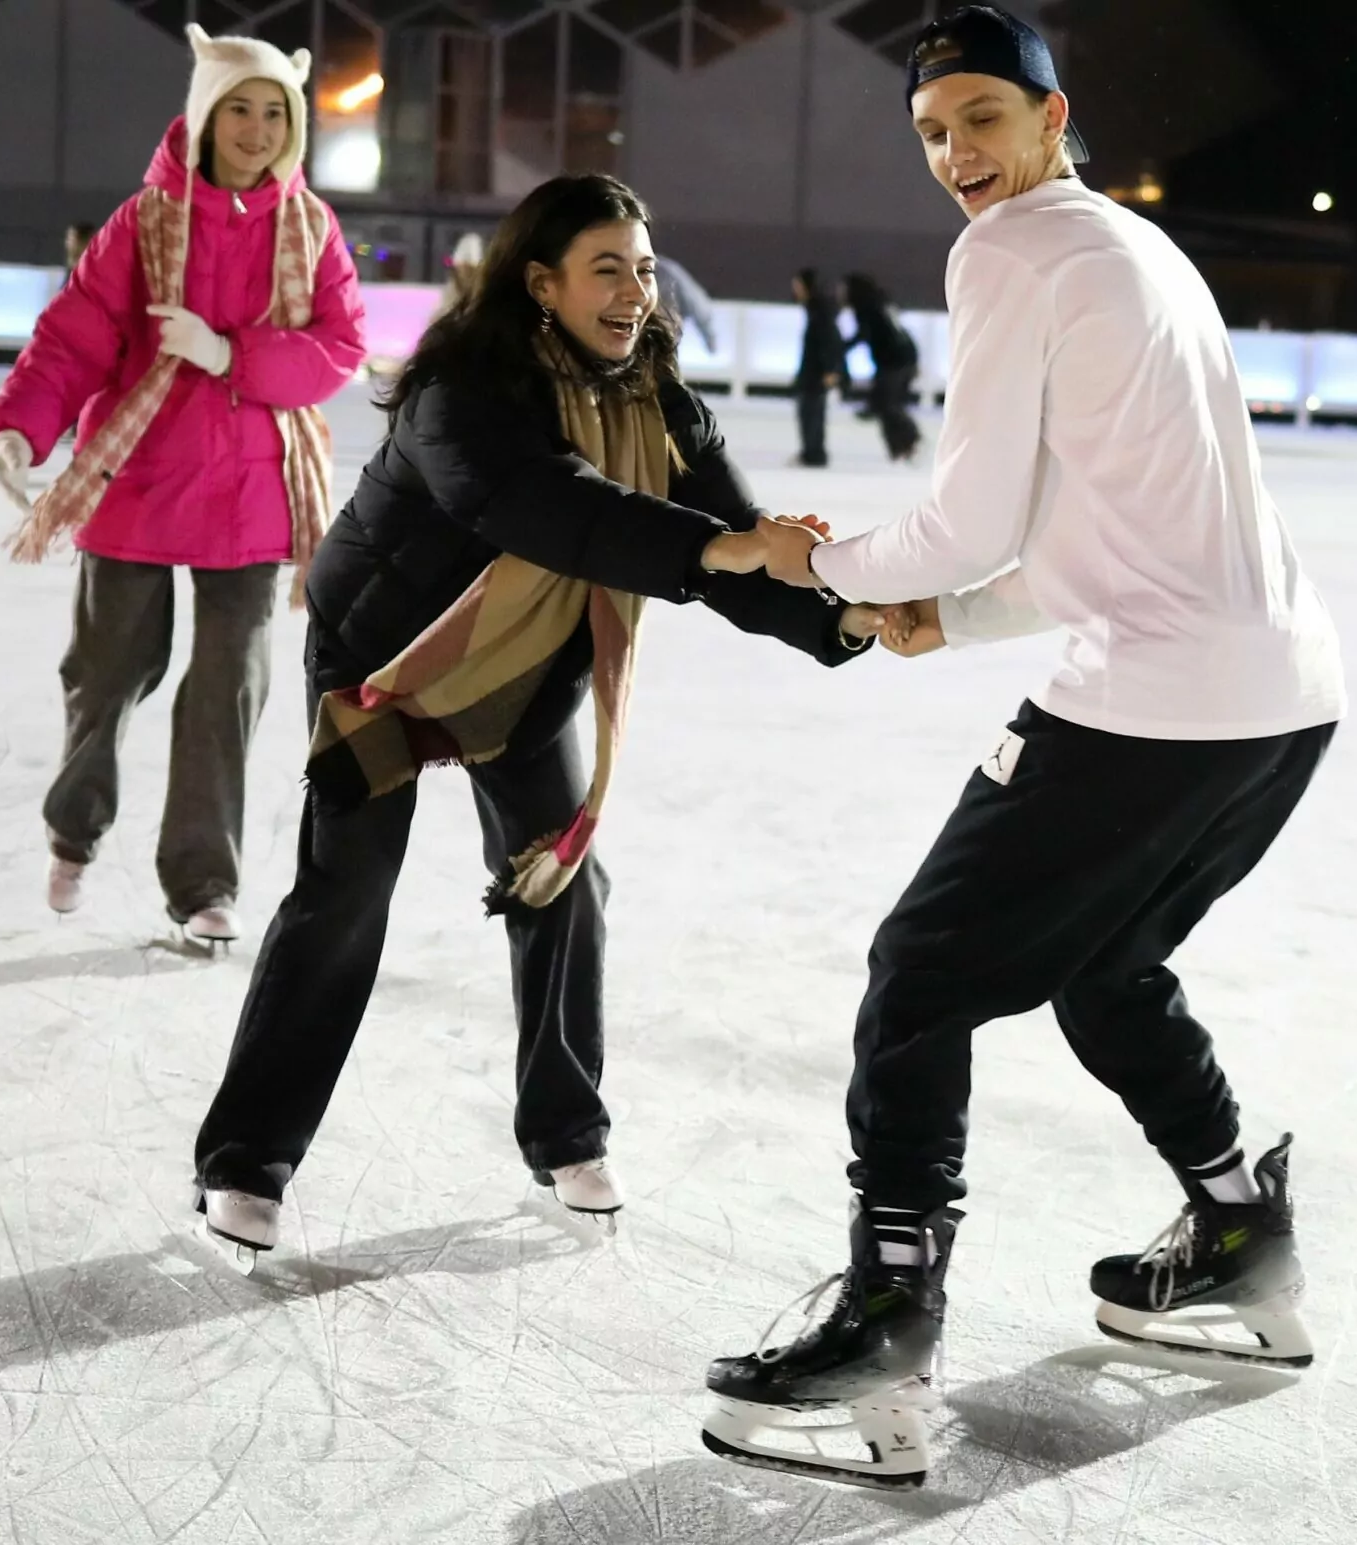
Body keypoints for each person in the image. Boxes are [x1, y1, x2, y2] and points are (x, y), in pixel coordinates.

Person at [701, 4, 1345, 1491]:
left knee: (919, 978)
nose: (954, 155)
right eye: (931, 131)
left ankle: (883, 1330)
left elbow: (973, 518)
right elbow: (1100, 534)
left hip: (1163, 699)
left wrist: (827, 564)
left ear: (1056, 120)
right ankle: (1240, 1234)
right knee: (1104, 965)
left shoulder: (1012, 252)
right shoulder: (1137, 251)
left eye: (982, 117)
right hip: (1284, 694)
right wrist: (961, 617)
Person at [187, 174, 899, 1270]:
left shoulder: (654, 394)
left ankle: (564, 1133)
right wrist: (719, 547)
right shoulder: (461, 391)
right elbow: (545, 505)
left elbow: (728, 539)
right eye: (606, 270)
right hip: (385, 660)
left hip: (522, 672)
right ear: (541, 283)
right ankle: (246, 1156)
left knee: (561, 877)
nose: (633, 294)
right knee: (347, 893)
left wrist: (843, 617)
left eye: (646, 271)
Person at [0, 24, 367, 946]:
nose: (258, 127)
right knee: (107, 671)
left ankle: (202, 883)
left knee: (226, 690)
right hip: (139, 480)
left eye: (276, 111)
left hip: (253, 498)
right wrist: (20, 425)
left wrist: (235, 353)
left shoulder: (309, 228)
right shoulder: (146, 222)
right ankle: (74, 830)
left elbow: (340, 350)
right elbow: (75, 333)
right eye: (240, 108)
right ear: (204, 116)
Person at [844, 272, 922, 462]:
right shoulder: (881, 302)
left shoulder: (866, 307)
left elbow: (864, 334)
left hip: (894, 360)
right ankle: (901, 445)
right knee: (887, 404)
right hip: (903, 357)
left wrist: (840, 348)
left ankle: (908, 438)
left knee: (887, 404)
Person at [790, 267, 842, 467]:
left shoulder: (820, 312)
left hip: (816, 371)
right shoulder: (816, 310)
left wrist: (831, 368)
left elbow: (829, 340)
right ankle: (811, 452)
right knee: (810, 410)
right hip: (813, 369)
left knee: (812, 411)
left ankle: (814, 453)